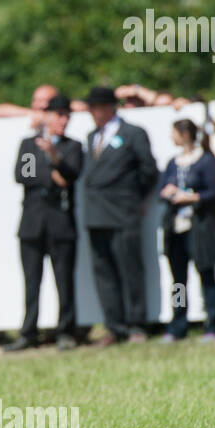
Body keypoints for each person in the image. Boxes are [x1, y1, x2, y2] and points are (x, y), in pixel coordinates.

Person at [82, 86, 158, 345]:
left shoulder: (132, 134)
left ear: (108, 108)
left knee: (130, 269)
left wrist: (135, 198)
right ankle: (114, 326)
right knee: (104, 272)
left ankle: (137, 323)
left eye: (96, 108)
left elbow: (148, 170)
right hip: (96, 213)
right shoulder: (92, 136)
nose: (93, 113)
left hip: (123, 212)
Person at [7, 92, 82, 351]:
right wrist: (53, 175)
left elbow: (72, 175)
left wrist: (54, 158)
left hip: (60, 223)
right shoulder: (29, 144)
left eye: (66, 116)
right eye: (58, 115)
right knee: (31, 282)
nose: (63, 121)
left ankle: (66, 332)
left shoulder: (72, 146)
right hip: (32, 222)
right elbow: (23, 175)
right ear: (47, 116)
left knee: (64, 281)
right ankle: (28, 333)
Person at [158, 119, 215, 342]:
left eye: (174, 133)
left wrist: (192, 197)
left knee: (206, 274)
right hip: (176, 227)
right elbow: (162, 187)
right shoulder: (173, 163)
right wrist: (168, 191)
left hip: (199, 226)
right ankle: (178, 324)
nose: (171, 137)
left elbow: (213, 193)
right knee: (178, 281)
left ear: (185, 134)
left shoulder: (205, 160)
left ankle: (214, 323)